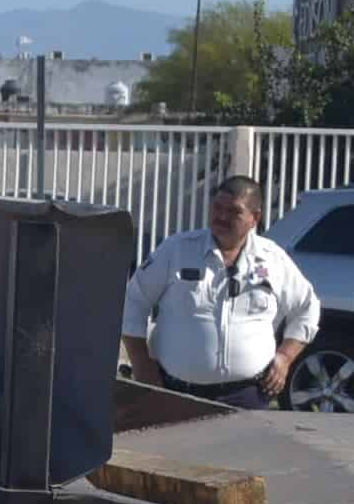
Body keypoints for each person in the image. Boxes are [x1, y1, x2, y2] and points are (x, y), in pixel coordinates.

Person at [118, 174, 321, 408]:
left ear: (254, 218)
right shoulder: (177, 251)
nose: (222, 217)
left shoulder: (273, 259)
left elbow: (307, 307)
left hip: (249, 396)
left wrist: (285, 357)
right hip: (177, 393)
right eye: (217, 207)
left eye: (234, 211)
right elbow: (133, 302)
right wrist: (142, 366)